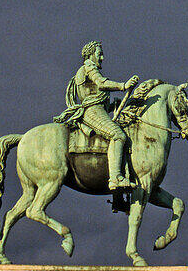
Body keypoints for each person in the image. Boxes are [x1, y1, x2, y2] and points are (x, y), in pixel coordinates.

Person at [54, 41, 139, 191]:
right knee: (118, 135)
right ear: (91, 54)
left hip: (98, 110)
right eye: (99, 54)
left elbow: (96, 96)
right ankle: (115, 178)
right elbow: (101, 83)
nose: (102, 58)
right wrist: (123, 86)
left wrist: (112, 106)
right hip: (91, 112)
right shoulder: (88, 67)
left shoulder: (88, 69)